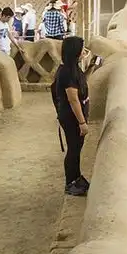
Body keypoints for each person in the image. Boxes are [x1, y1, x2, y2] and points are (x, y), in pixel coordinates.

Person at [51, 36, 92, 196]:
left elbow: (80, 82)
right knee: (74, 149)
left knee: (76, 147)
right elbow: (73, 99)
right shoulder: (67, 72)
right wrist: (82, 122)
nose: (84, 52)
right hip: (71, 117)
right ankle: (70, 183)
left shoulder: (72, 68)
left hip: (73, 115)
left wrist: (91, 64)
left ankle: (76, 177)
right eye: (81, 49)